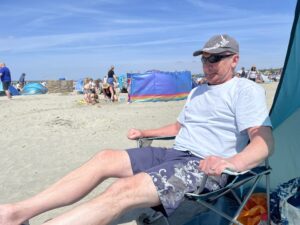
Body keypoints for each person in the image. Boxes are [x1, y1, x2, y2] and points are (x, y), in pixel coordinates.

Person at [0, 34, 274, 225]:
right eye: (204, 59)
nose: (207, 65)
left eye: (215, 60)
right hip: (175, 154)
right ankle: (16, 212)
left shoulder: (245, 91)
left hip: (205, 167)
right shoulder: (197, 91)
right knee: (104, 157)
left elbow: (263, 144)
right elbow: (179, 127)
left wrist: (231, 161)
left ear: (234, 60)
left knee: (122, 190)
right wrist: (145, 132)